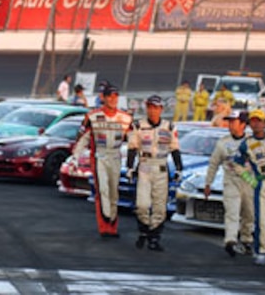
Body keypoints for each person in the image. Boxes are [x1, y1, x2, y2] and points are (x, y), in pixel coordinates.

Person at [72, 85, 132, 237]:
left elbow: (134, 141)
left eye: (115, 96)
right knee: (102, 190)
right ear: (103, 98)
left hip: (116, 156)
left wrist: (138, 160)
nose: (113, 99)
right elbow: (82, 138)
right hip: (99, 156)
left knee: (113, 192)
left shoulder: (126, 118)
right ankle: (104, 225)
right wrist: (75, 157)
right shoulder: (92, 116)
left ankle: (112, 225)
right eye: (110, 96)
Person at [126, 95, 183, 251]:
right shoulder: (138, 125)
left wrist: (179, 168)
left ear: (161, 109)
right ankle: (144, 230)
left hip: (161, 167)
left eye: (156, 107)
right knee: (142, 205)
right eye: (150, 107)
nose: (153, 111)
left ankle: (154, 237)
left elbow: (175, 149)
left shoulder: (169, 127)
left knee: (159, 207)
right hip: (144, 165)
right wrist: (130, 167)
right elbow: (132, 148)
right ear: (146, 108)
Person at [233, 109, 265, 266]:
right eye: (253, 121)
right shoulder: (246, 144)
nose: (256, 124)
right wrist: (251, 180)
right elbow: (237, 165)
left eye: (259, 121)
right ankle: (261, 250)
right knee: (261, 221)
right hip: (261, 183)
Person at [204, 110, 254, 257]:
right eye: (229, 121)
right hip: (231, 181)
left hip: (249, 181)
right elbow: (213, 164)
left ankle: (246, 240)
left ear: (243, 124)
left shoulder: (253, 141)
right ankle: (230, 241)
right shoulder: (223, 143)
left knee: (249, 213)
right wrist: (208, 183)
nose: (230, 124)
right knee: (232, 212)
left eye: (234, 121)